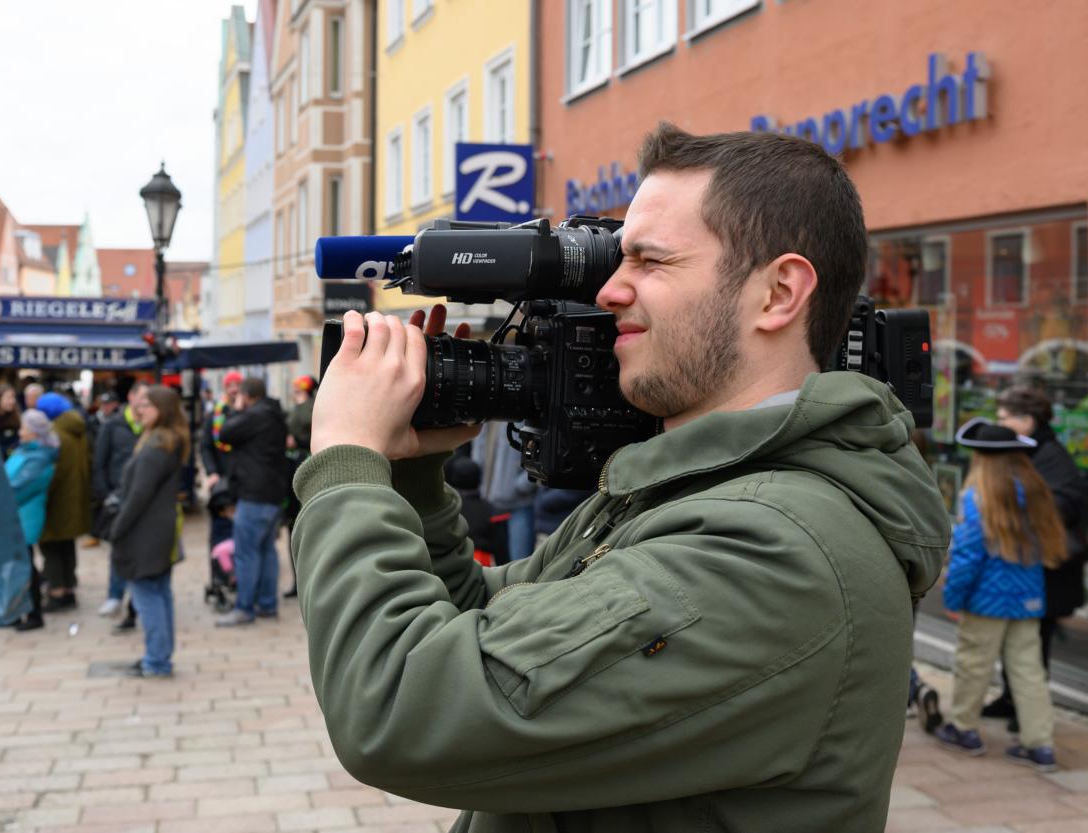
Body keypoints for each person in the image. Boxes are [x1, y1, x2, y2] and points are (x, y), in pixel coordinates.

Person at [289, 125, 949, 832]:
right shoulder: (683, 491)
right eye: (614, 258)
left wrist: (346, 456)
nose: (607, 291)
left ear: (778, 293)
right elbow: (476, 627)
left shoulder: (776, 554)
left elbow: (397, 710)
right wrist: (409, 471)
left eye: (649, 261)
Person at [934, 418, 1066, 772]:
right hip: (1028, 598)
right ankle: (1040, 745)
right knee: (1028, 671)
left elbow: (966, 556)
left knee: (973, 664)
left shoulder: (978, 498)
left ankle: (963, 728)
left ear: (982, 458)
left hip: (985, 600)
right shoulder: (1036, 492)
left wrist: (953, 597)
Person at [981, 385, 1088, 730]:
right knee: (1017, 637)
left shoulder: (1050, 456)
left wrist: (1012, 508)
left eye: (1004, 418)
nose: (998, 423)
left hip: (1047, 570)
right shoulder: (1028, 450)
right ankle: (1010, 697)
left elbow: (1059, 508)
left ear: (1026, 421)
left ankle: (1025, 709)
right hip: (1029, 565)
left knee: (1032, 643)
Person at [108, 385, 188, 678]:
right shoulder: (164, 440)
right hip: (159, 527)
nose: (140, 410)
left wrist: (117, 529)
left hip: (146, 530)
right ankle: (159, 656)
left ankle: (156, 660)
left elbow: (138, 495)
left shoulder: (157, 445)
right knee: (159, 592)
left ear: (162, 410)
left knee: (147, 594)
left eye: (146, 405)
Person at [214, 376, 289, 626]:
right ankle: (267, 605)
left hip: (254, 495)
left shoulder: (255, 415)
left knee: (246, 553)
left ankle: (244, 608)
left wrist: (236, 409)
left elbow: (224, 433)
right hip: (273, 494)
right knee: (267, 551)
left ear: (246, 395)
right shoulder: (274, 413)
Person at [93, 381, 147, 629]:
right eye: (142, 398)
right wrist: (105, 494)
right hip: (118, 497)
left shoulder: (151, 427)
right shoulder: (114, 425)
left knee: (140, 552)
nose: (145, 404)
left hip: (144, 500)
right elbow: (99, 462)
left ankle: (136, 605)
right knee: (118, 550)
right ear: (131, 397)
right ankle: (115, 595)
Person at [4, 410, 60, 632]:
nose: (20, 431)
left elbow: (20, 487)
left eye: (24, 428)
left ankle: (34, 612)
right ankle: (18, 612)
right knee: (18, 566)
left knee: (25, 566)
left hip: (24, 517)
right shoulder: (24, 451)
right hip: (14, 515)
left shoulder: (38, 457)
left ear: (35, 432)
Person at [36, 391, 91, 612]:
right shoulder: (76, 429)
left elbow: (53, 472)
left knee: (51, 546)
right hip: (74, 496)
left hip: (57, 499)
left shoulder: (55, 433)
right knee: (66, 544)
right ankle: (69, 587)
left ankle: (57, 591)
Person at [471, 422, 537, 559]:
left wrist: (521, 486)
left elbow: (540, 454)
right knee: (495, 566)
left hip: (518, 506)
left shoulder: (522, 417)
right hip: (488, 505)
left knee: (519, 566)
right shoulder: (487, 417)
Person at [283, 374, 317, 598]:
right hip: (290, 468)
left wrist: (298, 441)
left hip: (306, 465)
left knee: (307, 529)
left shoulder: (311, 407)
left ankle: (307, 582)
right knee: (292, 528)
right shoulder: (295, 408)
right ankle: (297, 581)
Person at [200, 370, 242, 551]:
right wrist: (212, 472)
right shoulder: (215, 414)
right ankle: (221, 570)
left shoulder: (248, 412)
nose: (233, 390)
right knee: (220, 528)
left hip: (243, 479)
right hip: (221, 480)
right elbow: (205, 446)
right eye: (229, 386)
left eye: (237, 386)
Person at [443, 455, 509, 566]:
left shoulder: (449, 509)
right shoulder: (492, 511)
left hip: (454, 564)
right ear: (479, 479)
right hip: (483, 567)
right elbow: (502, 552)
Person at [0, 384, 21, 460]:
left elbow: (17, 441)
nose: (13, 401)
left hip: (9, 459)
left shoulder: (15, 417)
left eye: (14, 397)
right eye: (8, 397)